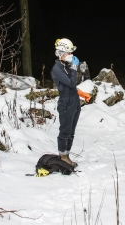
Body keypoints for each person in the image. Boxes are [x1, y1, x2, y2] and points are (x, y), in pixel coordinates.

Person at [51, 38, 81, 168]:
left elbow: (73, 85)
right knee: (65, 131)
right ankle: (63, 156)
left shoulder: (66, 66)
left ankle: (67, 155)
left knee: (71, 131)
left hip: (74, 100)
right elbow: (70, 82)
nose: (71, 56)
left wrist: (79, 93)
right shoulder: (57, 68)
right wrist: (74, 67)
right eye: (69, 53)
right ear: (61, 53)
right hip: (65, 102)